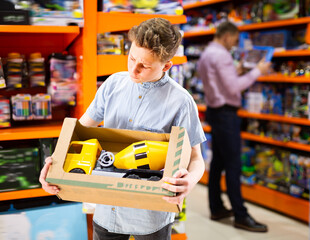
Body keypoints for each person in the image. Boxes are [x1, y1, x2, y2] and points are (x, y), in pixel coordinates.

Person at [39, 18, 206, 240]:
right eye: (131, 58)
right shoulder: (113, 84)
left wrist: (190, 181)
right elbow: (76, 131)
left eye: (144, 66)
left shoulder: (181, 101)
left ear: (166, 66)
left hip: (150, 215)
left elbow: (196, 157)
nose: (133, 69)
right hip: (107, 209)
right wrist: (52, 166)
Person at [197, 21, 272, 232]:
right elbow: (233, 88)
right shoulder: (221, 55)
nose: (234, 44)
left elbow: (218, 82)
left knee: (219, 162)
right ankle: (240, 214)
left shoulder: (207, 53)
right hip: (226, 114)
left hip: (215, 111)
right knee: (233, 164)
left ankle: (217, 207)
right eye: (235, 40)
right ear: (228, 36)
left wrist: (236, 71)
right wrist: (257, 70)